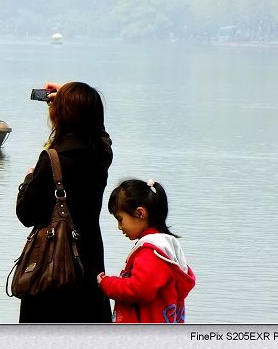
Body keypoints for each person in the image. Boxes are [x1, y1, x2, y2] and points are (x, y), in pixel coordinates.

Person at [15, 81, 113, 323]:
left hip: (55, 266)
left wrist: (29, 178)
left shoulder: (53, 159)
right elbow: (101, 132)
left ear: (62, 114)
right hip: (89, 259)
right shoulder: (101, 152)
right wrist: (76, 97)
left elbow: (26, 214)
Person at [97, 179, 196, 323]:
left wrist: (107, 283)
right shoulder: (166, 248)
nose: (119, 227)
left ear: (140, 213)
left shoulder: (151, 252)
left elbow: (138, 290)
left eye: (120, 219)